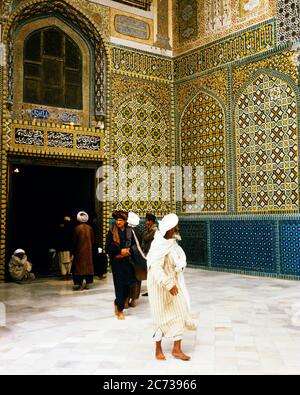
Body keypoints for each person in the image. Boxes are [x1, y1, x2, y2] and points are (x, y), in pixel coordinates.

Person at [147, 213, 196, 361]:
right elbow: (155, 267)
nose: (178, 228)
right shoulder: (158, 245)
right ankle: (158, 349)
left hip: (173, 282)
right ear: (168, 230)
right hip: (159, 285)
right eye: (175, 227)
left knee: (180, 312)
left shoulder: (172, 242)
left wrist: (180, 266)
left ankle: (177, 349)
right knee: (159, 315)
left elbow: (179, 256)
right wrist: (167, 284)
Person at [105, 210, 136, 320]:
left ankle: (117, 302)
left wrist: (128, 251)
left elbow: (135, 246)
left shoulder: (130, 231)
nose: (118, 222)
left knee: (128, 285)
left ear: (125, 221)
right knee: (119, 286)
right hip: (117, 262)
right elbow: (107, 248)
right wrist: (119, 252)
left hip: (128, 261)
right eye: (117, 220)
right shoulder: (111, 231)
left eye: (120, 220)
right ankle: (120, 310)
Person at [72, 211, 94, 290]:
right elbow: (92, 240)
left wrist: (73, 250)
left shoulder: (76, 228)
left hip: (79, 251)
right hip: (88, 251)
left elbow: (74, 241)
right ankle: (88, 283)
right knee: (88, 267)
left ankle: (79, 283)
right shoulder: (90, 228)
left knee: (79, 268)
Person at [141, 213, 158, 296]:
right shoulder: (150, 229)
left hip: (153, 254)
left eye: (147, 221)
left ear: (151, 221)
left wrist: (147, 230)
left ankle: (153, 290)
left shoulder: (155, 230)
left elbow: (146, 237)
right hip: (149, 253)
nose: (146, 222)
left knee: (153, 273)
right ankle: (151, 290)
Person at [91, 213, 108, 280]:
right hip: (95, 245)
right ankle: (99, 274)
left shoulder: (92, 226)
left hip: (93, 246)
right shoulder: (95, 225)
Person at [56, 216, 73, 280]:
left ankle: (64, 276)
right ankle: (67, 275)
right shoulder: (71, 230)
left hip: (62, 249)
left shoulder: (60, 230)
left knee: (63, 263)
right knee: (68, 263)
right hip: (68, 249)